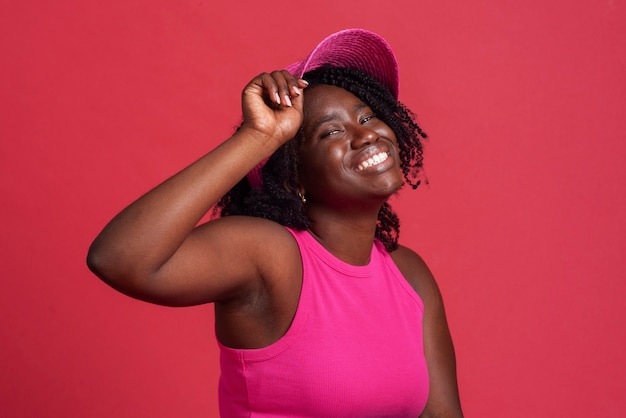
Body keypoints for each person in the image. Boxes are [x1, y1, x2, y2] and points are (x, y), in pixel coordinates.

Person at [87, 28, 463, 417]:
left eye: (366, 115)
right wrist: (260, 136)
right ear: (293, 177)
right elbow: (118, 258)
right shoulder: (271, 255)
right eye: (331, 131)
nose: (364, 134)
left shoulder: (409, 274)